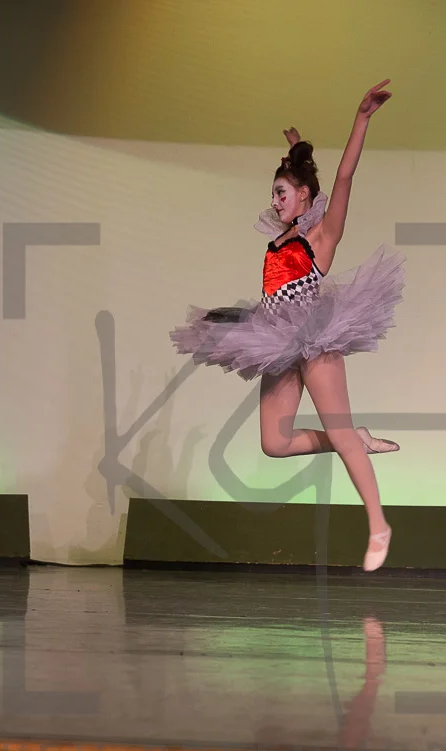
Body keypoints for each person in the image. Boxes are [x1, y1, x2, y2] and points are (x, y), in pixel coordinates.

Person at [170, 81, 405, 571]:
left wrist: (361, 118)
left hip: (315, 340)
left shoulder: (322, 236)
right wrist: (297, 151)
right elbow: (302, 190)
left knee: (338, 432)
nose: (275, 202)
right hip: (275, 340)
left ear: (303, 196)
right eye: (273, 194)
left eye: (282, 194)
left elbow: (343, 177)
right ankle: (351, 436)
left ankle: (378, 524)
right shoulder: (282, 237)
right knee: (274, 443)